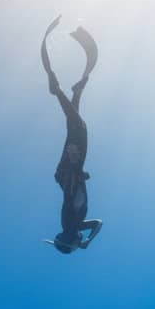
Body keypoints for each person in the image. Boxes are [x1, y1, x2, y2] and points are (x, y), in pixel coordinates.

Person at [40, 15, 102, 254]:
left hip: (70, 167)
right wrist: (88, 240)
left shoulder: (69, 223)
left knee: (77, 124)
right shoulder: (77, 226)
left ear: (70, 241)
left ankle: (56, 90)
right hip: (73, 168)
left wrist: (74, 172)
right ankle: (75, 93)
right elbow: (97, 223)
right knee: (77, 124)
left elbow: (70, 198)